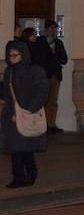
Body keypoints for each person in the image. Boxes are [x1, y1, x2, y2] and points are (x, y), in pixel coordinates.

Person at [2, 41, 49, 188]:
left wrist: (27, 110)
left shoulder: (35, 71)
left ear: (23, 55)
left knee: (24, 148)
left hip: (27, 115)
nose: (11, 58)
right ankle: (20, 177)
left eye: (15, 55)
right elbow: (6, 92)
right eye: (9, 56)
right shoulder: (9, 71)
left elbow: (42, 93)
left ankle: (29, 173)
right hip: (12, 116)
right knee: (16, 148)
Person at [29, 22, 68, 134]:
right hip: (43, 75)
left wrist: (56, 56)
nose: (54, 31)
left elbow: (64, 59)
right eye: (51, 28)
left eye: (55, 29)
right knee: (42, 100)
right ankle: (42, 125)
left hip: (55, 75)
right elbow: (36, 58)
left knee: (53, 101)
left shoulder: (58, 43)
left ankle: (51, 124)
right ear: (45, 30)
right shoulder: (39, 41)